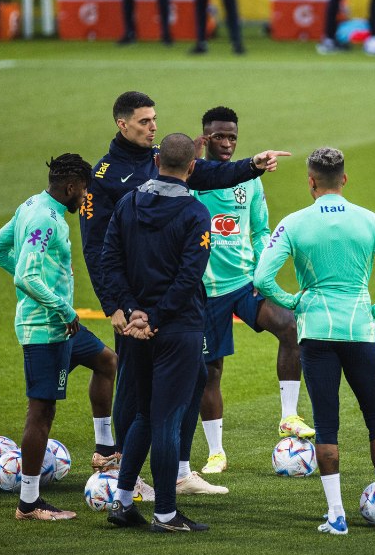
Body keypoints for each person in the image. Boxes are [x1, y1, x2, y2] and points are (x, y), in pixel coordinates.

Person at [81, 91, 291, 497]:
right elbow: (99, 250)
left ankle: (178, 470)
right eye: (144, 121)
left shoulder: (159, 158)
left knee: (194, 378)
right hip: (134, 306)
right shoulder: (104, 177)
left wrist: (253, 166)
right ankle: (129, 473)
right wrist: (117, 307)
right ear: (122, 124)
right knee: (133, 393)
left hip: (170, 308)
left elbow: (210, 174)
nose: (153, 127)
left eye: (154, 119)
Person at [254, 147, 375, 534]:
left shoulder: (294, 224)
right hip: (360, 331)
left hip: (316, 336)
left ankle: (336, 516)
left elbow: (262, 279)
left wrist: (295, 302)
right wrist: (374, 311)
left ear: (310, 181)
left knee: (327, 427)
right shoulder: (371, 221)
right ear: (344, 180)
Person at [192, 106, 313, 475]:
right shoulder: (192, 176)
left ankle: (288, 416)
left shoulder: (249, 178)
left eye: (232, 137)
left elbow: (261, 229)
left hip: (245, 281)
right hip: (206, 289)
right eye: (219, 137)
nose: (227, 144)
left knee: (290, 327)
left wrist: (264, 269)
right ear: (205, 137)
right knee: (211, 370)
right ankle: (216, 452)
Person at [102, 133, 214, 532]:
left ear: (155, 161)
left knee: (144, 415)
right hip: (176, 329)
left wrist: (133, 312)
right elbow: (188, 277)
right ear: (192, 167)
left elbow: (109, 260)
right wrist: (157, 319)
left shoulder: (128, 203)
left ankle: (122, 501)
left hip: (136, 331)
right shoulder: (195, 213)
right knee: (166, 419)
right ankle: (165, 513)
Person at [0, 153, 93, 521]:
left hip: (60, 325)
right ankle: (28, 503)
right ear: (70, 187)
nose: (85, 198)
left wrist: (41, 278)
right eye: (83, 191)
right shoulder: (46, 219)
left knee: (107, 360)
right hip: (48, 327)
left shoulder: (31, 204)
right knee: (41, 410)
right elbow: (25, 278)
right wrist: (62, 308)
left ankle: (108, 451)